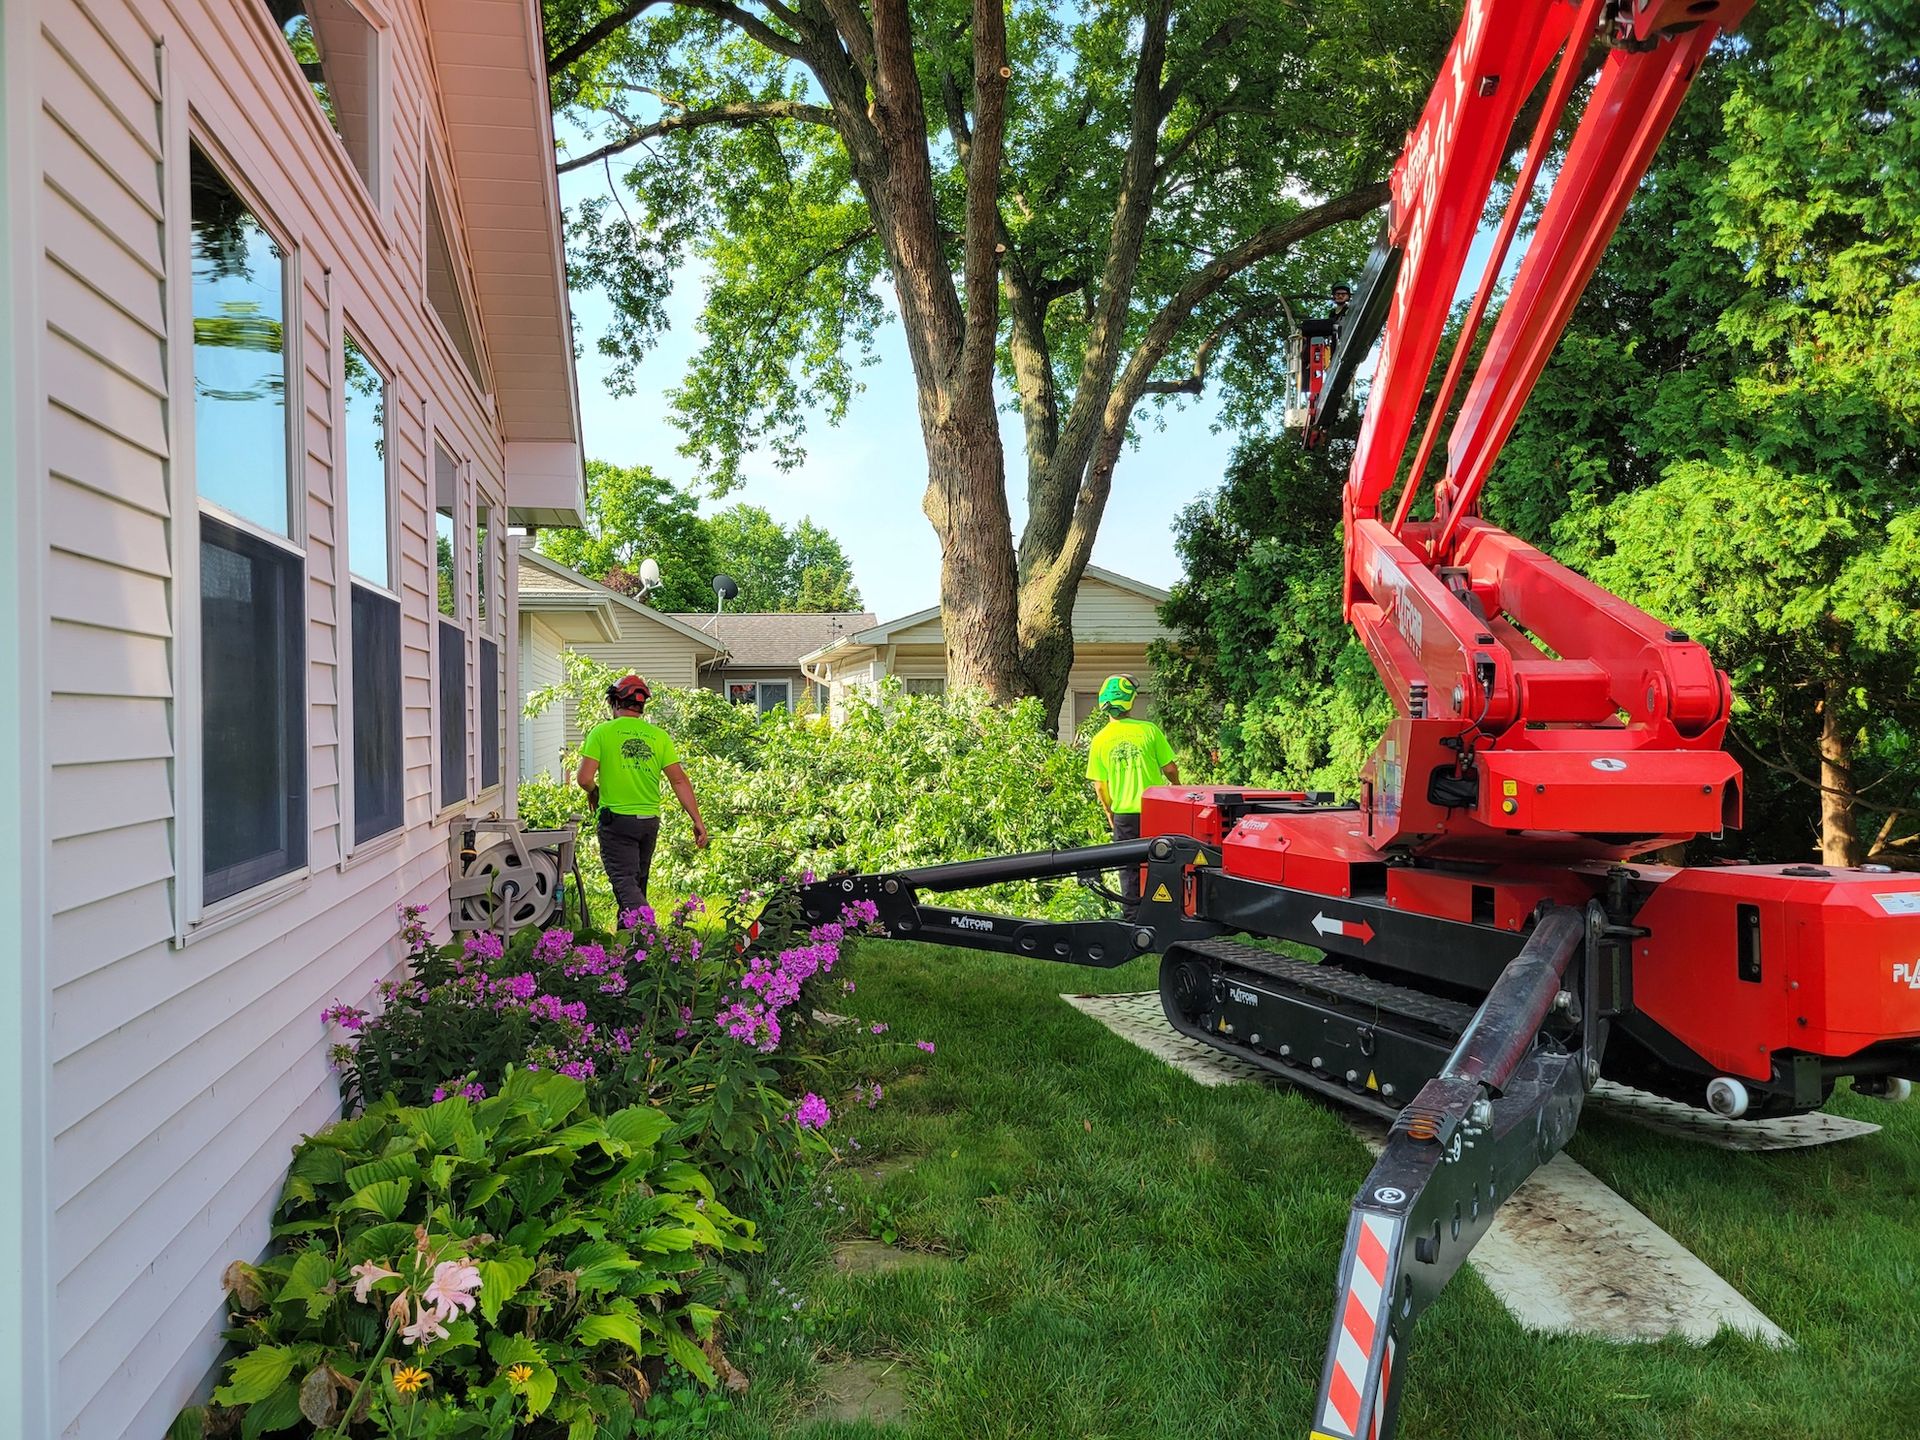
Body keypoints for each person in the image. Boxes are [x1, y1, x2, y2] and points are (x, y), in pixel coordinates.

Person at [575, 674, 709, 919]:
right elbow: (679, 780)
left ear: (615, 703)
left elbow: (584, 779)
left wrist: (595, 792)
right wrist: (697, 820)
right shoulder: (659, 737)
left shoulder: (602, 733)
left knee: (625, 885)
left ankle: (650, 932)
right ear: (641, 706)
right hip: (649, 822)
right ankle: (632, 952)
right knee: (635, 886)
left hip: (617, 821)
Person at [1085, 674, 1178, 908]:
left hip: (1124, 814)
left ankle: (1132, 916)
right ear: (1131, 701)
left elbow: (1100, 785)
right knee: (1162, 861)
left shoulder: (1100, 739)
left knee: (1128, 867)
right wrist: (1177, 789)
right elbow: (1170, 768)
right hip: (1155, 810)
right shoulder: (1149, 731)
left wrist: (1109, 812)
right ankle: (1163, 910)